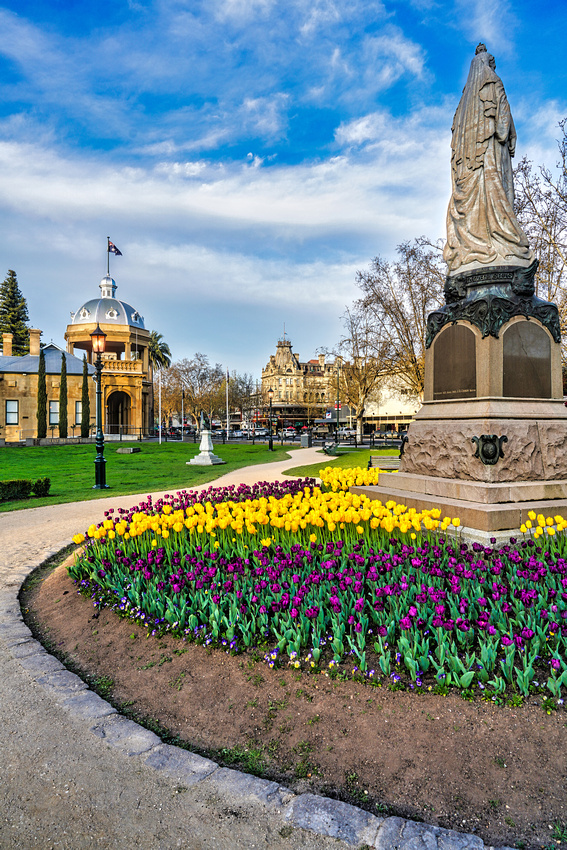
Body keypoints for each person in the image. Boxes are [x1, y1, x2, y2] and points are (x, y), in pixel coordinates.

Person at [443, 44, 534, 276]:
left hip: (469, 169)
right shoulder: (493, 83)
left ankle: (475, 242)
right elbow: (503, 128)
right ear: (488, 65)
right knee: (497, 194)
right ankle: (500, 240)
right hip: (491, 156)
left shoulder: (462, 106)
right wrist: (511, 134)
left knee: (477, 202)